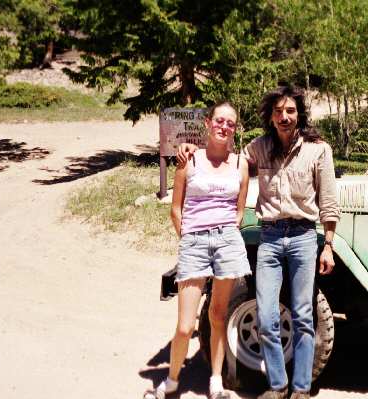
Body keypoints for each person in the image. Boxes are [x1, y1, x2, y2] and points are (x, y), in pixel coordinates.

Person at [177, 85, 340, 399]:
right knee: (266, 317)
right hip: (269, 237)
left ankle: (302, 389)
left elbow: (329, 201)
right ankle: (277, 385)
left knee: (304, 315)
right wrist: (191, 149)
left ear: (299, 115)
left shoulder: (318, 150)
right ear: (271, 117)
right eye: (278, 112)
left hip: (304, 236)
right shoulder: (258, 148)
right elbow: (223, 157)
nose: (284, 117)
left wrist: (329, 244)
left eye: (290, 111)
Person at [146, 101, 251, 399]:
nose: (224, 127)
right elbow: (176, 210)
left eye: (230, 123)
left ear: (235, 128)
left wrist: (227, 234)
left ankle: (216, 381)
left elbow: (239, 210)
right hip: (194, 241)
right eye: (219, 120)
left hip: (227, 241)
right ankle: (173, 379)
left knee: (218, 315)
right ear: (207, 123)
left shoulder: (241, 163)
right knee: (184, 325)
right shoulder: (189, 160)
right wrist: (189, 237)